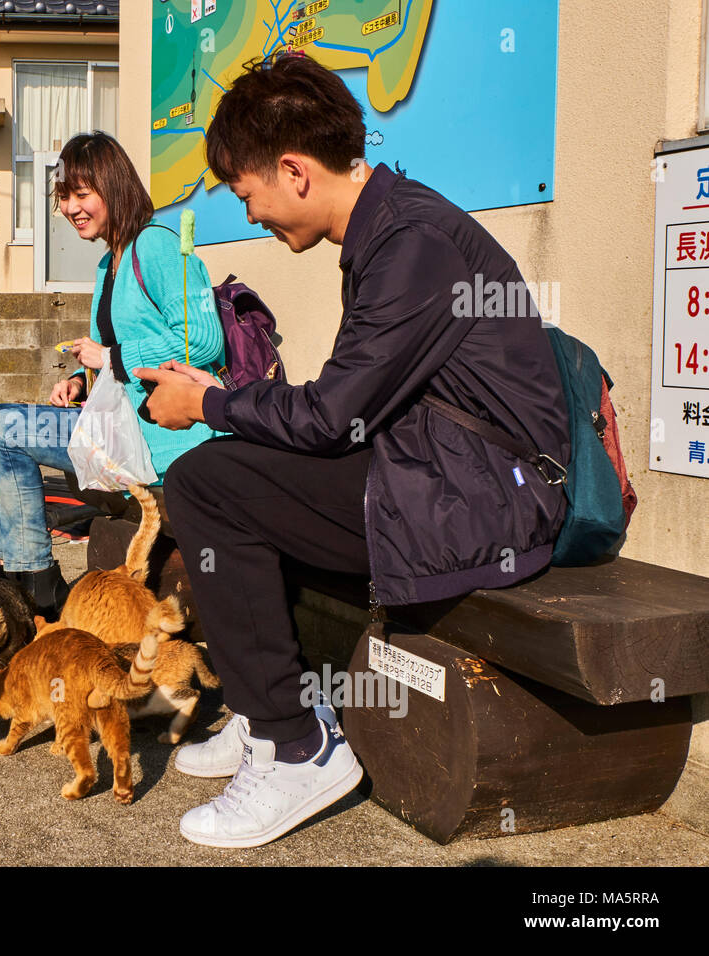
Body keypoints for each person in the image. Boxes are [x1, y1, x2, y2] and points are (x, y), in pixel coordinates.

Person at [134, 53, 570, 848]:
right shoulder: (391, 227)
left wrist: (211, 401)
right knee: (235, 477)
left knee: (207, 483)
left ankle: (296, 746)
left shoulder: (412, 244)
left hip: (490, 500)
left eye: (248, 193)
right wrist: (225, 397)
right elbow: (350, 405)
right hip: (445, 473)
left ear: (293, 171)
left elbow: (332, 416)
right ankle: (275, 712)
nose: (253, 213)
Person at [0, 132, 225, 618]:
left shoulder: (157, 246)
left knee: (1, 428)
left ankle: (34, 587)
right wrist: (80, 383)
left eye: (81, 194)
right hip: (115, 426)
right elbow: (109, 362)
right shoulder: (110, 262)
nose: (70, 207)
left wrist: (111, 357)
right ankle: (15, 575)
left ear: (113, 186)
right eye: (64, 197)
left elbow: (203, 341)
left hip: (157, 437)